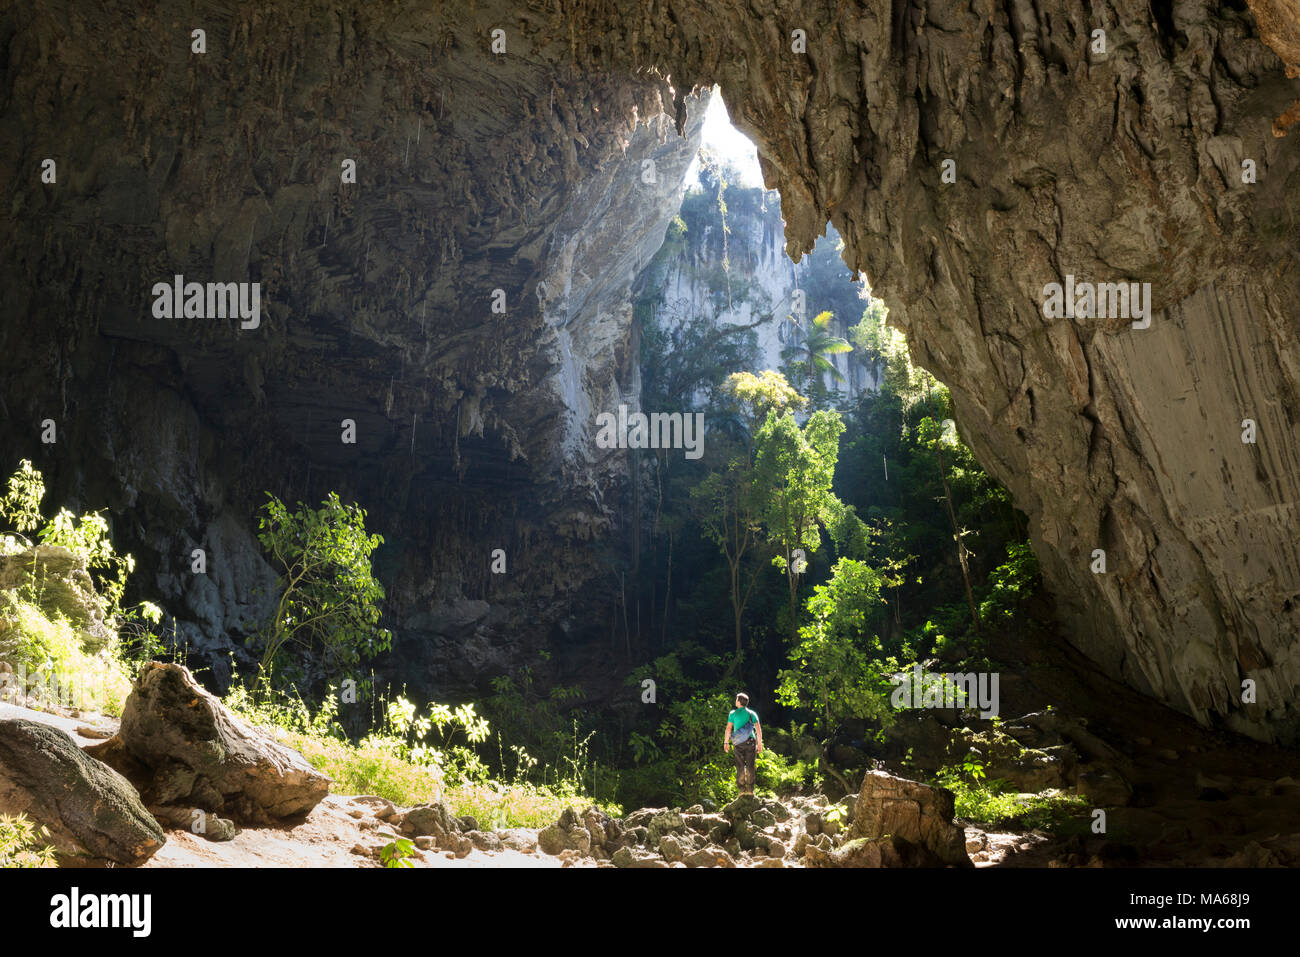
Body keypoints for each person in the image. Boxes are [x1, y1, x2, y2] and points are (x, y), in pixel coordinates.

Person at [723, 692, 763, 796]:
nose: (735, 701)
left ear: (739, 702)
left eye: (736, 699)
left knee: (740, 766)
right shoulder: (752, 714)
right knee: (750, 766)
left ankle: (741, 790)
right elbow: (758, 730)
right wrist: (759, 744)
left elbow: (728, 729)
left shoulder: (733, 714)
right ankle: (750, 790)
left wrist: (726, 742)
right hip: (750, 742)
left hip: (738, 744)